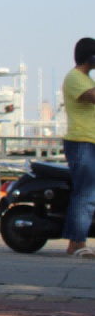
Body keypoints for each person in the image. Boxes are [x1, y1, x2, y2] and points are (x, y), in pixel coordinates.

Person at [61, 37, 95, 258]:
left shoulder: (86, 79)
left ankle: (77, 240)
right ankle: (77, 242)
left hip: (89, 142)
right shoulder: (75, 78)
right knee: (86, 193)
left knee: (88, 193)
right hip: (82, 142)